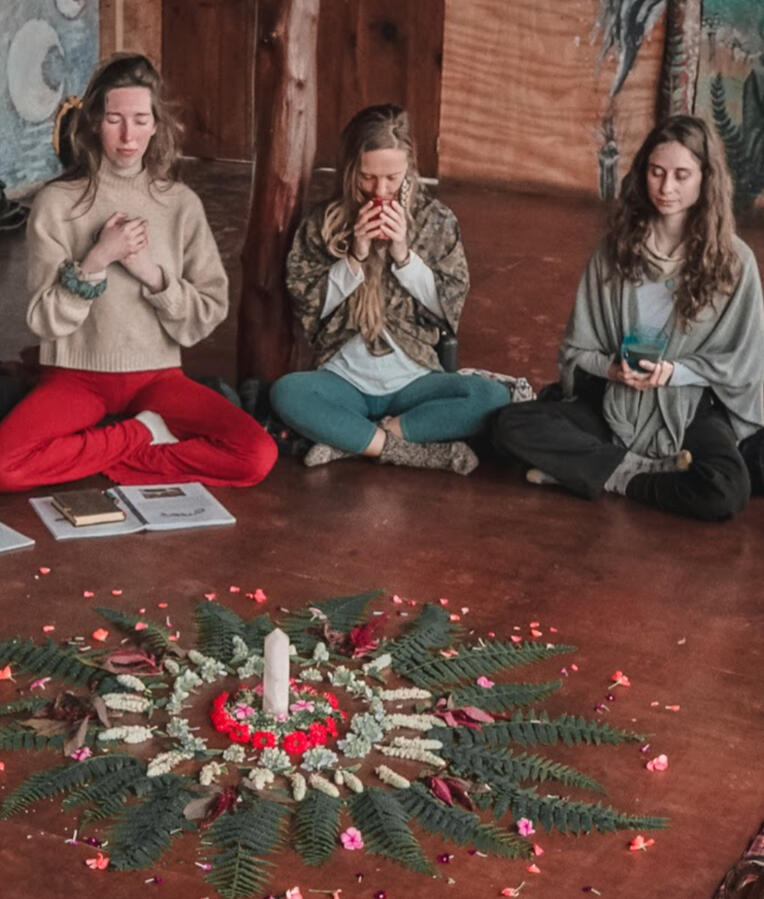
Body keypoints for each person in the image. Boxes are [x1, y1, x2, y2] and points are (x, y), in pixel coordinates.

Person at [0, 54, 277, 492]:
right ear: (94, 123)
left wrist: (151, 274)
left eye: (140, 119)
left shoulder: (181, 204)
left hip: (157, 378)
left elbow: (205, 313)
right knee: (3, 466)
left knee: (257, 455)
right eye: (114, 119)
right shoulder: (56, 203)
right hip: (74, 378)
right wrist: (96, 260)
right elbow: (41, 319)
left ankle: (88, 454)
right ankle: (139, 437)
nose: (128, 136)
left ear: (155, 124)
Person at [491, 115, 764, 520]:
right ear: (642, 174)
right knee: (509, 425)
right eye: (656, 172)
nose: (666, 188)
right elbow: (577, 350)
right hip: (615, 399)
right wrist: (612, 371)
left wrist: (673, 372)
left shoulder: (734, 262)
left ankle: (598, 472)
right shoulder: (614, 251)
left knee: (725, 490)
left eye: (681, 175)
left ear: (706, 180)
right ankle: (636, 473)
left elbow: (743, 364)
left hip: (690, 407)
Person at [270, 104, 509, 475]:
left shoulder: (436, 221)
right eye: (367, 178)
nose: (379, 191)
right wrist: (355, 256)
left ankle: (354, 442)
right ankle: (411, 451)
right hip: (342, 378)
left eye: (392, 178)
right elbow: (308, 310)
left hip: (414, 379)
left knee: (491, 398)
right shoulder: (324, 222)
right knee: (287, 393)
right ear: (351, 170)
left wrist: (403, 255)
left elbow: (448, 311)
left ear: (409, 169)